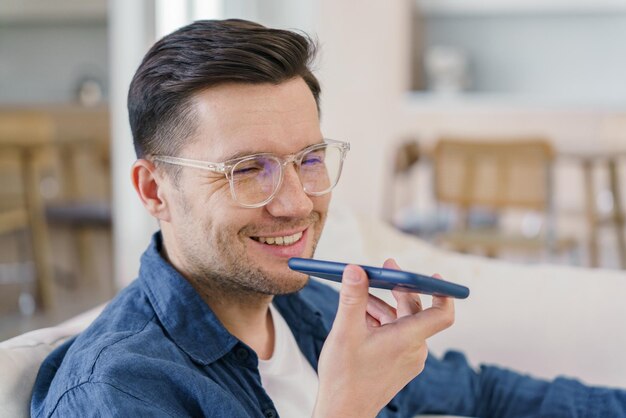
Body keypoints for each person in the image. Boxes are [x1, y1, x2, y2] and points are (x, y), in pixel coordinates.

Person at [31, 19, 626, 418]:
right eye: (246, 169)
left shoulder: (305, 307)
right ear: (154, 189)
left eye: (309, 159)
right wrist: (345, 406)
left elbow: (485, 393)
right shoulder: (118, 391)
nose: (295, 203)